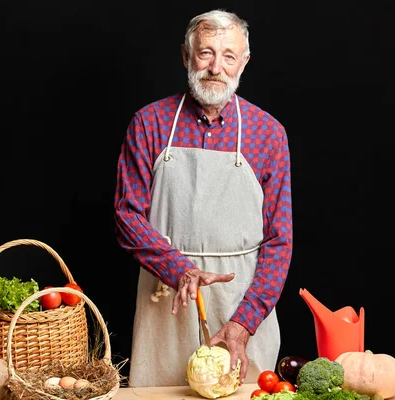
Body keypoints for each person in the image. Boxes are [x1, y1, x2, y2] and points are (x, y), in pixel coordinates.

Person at [114, 9, 293, 388]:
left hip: (241, 301)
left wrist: (244, 324)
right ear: (185, 56)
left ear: (243, 63)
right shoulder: (149, 123)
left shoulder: (269, 133)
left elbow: (280, 242)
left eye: (229, 55)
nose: (216, 67)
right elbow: (127, 216)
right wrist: (180, 270)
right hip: (166, 300)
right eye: (205, 53)